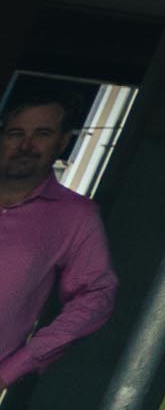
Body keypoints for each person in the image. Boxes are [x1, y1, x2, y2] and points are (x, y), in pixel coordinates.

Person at [0, 92, 113, 403]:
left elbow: (97, 295)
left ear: (63, 142)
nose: (26, 145)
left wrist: (14, 367)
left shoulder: (75, 217)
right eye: (16, 133)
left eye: (42, 134)